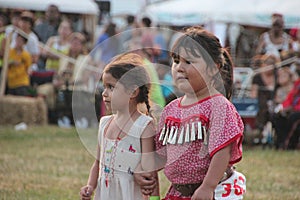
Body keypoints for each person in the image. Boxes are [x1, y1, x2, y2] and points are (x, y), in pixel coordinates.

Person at [136, 26, 246, 200]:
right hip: (178, 193)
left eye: (189, 61)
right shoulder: (171, 109)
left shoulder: (217, 105)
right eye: (176, 60)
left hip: (209, 193)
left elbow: (222, 151)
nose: (179, 67)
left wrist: (208, 186)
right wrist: (144, 170)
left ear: (213, 68)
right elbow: (164, 154)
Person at [79, 53, 159, 200]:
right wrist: (90, 186)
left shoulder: (144, 126)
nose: (104, 93)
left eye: (111, 87)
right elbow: (98, 162)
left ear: (133, 92)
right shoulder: (104, 123)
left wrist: (155, 198)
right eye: (104, 87)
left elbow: (150, 173)